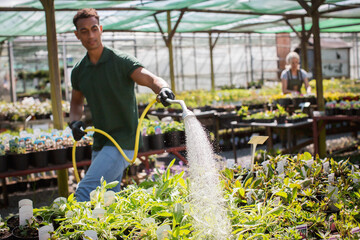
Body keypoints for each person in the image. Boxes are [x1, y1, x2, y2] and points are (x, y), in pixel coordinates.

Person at [69, 8, 175, 202]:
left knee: (86, 192)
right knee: (108, 197)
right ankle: (111, 231)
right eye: (84, 31)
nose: (90, 35)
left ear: (100, 29)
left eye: (94, 29)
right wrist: (74, 122)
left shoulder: (120, 61)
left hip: (123, 140)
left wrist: (163, 88)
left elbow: (151, 79)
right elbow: (76, 102)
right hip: (101, 141)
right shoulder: (78, 71)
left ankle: (74, 231)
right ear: (77, 35)